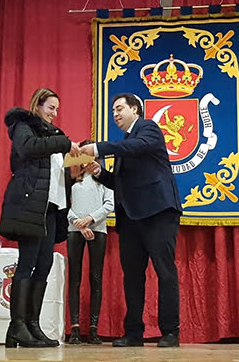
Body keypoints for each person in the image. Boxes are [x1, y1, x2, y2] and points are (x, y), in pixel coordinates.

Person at [80, 93, 182, 348]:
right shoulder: (126, 143)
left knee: (165, 272)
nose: (115, 114)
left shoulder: (148, 129)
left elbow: (137, 147)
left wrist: (98, 149)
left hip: (158, 212)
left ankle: (170, 332)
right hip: (130, 218)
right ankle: (133, 332)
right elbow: (120, 183)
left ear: (135, 110)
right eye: (113, 110)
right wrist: (100, 172)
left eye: (120, 109)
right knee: (132, 277)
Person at [0, 88, 81, 348]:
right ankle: (17, 326)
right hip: (31, 206)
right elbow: (27, 149)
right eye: (50, 107)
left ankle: (32, 324)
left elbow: (53, 176)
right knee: (27, 263)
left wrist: (73, 175)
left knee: (44, 265)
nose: (54, 113)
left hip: (53, 208)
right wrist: (64, 143)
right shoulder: (24, 126)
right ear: (38, 105)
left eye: (57, 109)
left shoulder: (53, 135)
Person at [66, 142, 114, 345]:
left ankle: (93, 328)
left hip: (97, 229)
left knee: (96, 277)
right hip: (75, 230)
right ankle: (75, 328)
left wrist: (90, 220)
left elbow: (109, 204)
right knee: (74, 278)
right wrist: (78, 222)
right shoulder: (71, 178)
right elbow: (64, 204)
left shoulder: (103, 179)